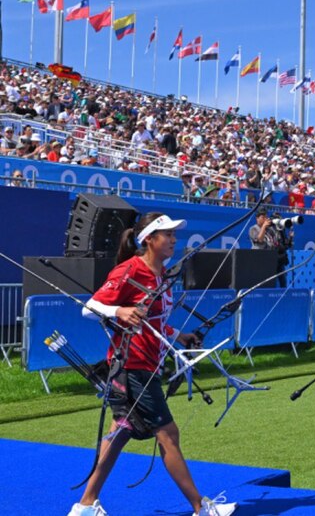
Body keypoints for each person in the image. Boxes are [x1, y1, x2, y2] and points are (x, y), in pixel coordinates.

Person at [71, 212, 236, 516]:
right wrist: (119, 311)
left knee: (119, 432)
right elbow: (90, 308)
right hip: (132, 364)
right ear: (149, 239)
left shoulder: (161, 273)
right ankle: (201, 508)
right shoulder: (130, 270)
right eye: (167, 234)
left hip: (148, 362)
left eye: (174, 234)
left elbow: (154, 320)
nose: (173, 239)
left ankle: (84, 505)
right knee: (168, 434)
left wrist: (179, 335)